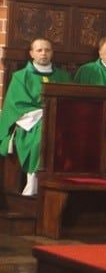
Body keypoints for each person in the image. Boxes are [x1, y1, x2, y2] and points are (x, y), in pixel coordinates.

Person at [0, 38, 72, 196]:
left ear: (52, 53)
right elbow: (17, 106)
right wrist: (47, 113)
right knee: (43, 133)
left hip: (60, 121)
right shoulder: (21, 76)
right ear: (31, 53)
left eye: (47, 50)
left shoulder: (64, 76)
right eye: (39, 50)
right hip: (30, 124)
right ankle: (33, 182)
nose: (44, 53)